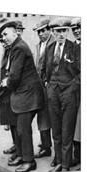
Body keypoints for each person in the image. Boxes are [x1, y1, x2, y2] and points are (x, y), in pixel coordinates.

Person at [0, 20, 44, 172]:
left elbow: (14, 77)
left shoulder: (19, 48)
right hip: (24, 94)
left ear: (15, 33)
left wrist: (5, 82)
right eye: (2, 35)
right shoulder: (15, 47)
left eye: (6, 34)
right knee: (20, 128)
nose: (4, 37)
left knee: (23, 129)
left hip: (28, 95)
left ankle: (29, 161)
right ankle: (22, 156)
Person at [41, 18, 80, 172]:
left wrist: (72, 88)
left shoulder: (75, 48)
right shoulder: (50, 48)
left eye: (64, 30)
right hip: (53, 94)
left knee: (67, 130)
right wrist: (48, 85)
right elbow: (44, 69)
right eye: (58, 31)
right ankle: (58, 159)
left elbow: (82, 72)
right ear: (53, 32)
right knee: (56, 129)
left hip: (69, 94)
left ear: (67, 31)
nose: (61, 34)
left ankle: (65, 164)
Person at [0, 18, 18, 159]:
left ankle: (18, 149)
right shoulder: (4, 46)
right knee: (9, 121)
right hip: (5, 90)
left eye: (3, 32)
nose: (1, 37)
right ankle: (16, 145)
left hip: (11, 89)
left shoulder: (12, 47)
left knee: (15, 122)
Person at [32, 18, 54, 158]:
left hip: (51, 87)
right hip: (40, 87)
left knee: (51, 118)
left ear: (49, 30)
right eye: (38, 31)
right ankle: (45, 145)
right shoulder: (39, 45)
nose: (40, 34)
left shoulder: (53, 43)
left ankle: (49, 148)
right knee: (42, 117)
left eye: (43, 31)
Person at [70, 17, 81, 168]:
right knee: (74, 125)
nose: (77, 31)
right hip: (74, 91)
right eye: (74, 29)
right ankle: (77, 156)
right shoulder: (71, 47)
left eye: (79, 27)